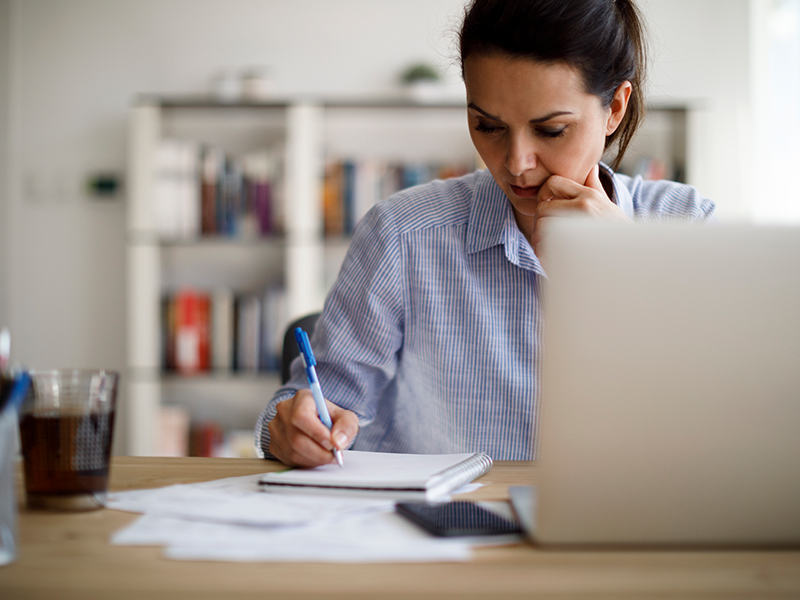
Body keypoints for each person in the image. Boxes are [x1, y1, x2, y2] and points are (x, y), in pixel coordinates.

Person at [255, 0, 715, 467]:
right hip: (433, 528)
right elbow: (311, 404)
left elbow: (728, 425)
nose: (516, 163)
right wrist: (293, 427)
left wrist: (632, 271)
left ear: (615, 108)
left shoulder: (689, 228)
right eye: (488, 126)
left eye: (552, 130)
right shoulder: (402, 235)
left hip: (624, 529)